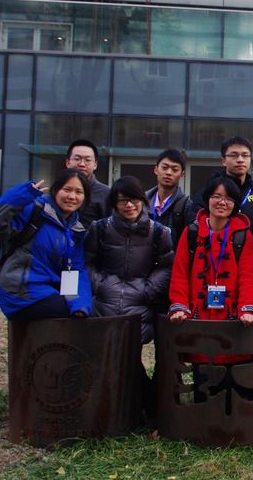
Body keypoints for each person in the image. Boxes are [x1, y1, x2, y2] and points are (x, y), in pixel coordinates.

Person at [85, 176, 174, 416]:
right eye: (122, 200)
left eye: (134, 199)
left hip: (140, 303)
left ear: (142, 200)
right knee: (105, 356)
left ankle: (139, 407)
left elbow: (166, 266)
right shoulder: (100, 228)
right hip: (105, 302)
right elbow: (88, 262)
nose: (129, 205)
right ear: (114, 203)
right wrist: (101, 285)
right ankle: (115, 408)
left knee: (130, 357)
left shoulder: (158, 231)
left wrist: (148, 289)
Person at [167, 176, 253, 399]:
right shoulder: (191, 232)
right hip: (200, 314)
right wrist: (179, 305)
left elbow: (248, 275)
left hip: (231, 315)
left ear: (235, 203)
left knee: (233, 373)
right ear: (207, 199)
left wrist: (247, 308)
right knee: (203, 373)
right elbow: (180, 273)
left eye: (228, 199)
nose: (222, 202)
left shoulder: (242, 234)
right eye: (217, 197)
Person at [0, 169, 93, 320]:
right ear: (55, 190)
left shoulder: (75, 230)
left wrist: (80, 305)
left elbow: (76, 270)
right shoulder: (34, 210)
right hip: (20, 291)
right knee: (64, 313)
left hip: (49, 291)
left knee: (84, 313)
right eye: (67, 190)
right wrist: (23, 194)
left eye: (79, 192)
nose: (72, 196)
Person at [191, 137, 253, 237]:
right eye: (234, 155)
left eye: (245, 155)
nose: (240, 160)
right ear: (223, 161)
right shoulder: (209, 192)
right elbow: (194, 225)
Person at [145, 148, 193, 247]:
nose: (168, 173)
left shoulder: (186, 206)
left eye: (175, 170)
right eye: (164, 167)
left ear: (182, 174)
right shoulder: (142, 202)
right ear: (156, 169)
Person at [65, 139, 110, 228]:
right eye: (77, 159)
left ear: (95, 165)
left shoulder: (106, 193)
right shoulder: (59, 189)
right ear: (68, 162)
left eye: (87, 160)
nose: (82, 164)